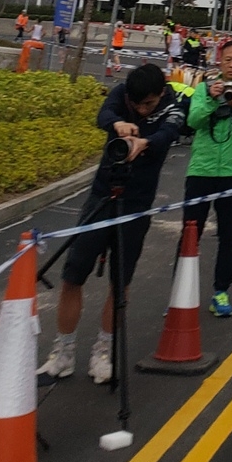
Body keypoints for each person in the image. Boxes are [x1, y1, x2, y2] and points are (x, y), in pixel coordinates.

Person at [38, 62, 184, 382]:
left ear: (161, 93)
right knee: (73, 275)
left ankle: (104, 351)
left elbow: (171, 131)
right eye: (136, 105)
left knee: (120, 283)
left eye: (148, 104)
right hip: (101, 197)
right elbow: (103, 114)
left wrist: (146, 143)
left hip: (135, 205)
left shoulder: (172, 105)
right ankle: (63, 352)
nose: (142, 110)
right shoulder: (121, 95)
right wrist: (118, 123)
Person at [183, 39, 232, 318]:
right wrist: (210, 98)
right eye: (228, 59)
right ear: (220, 60)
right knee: (189, 235)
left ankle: (221, 291)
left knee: (228, 236)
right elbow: (192, 121)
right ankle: (181, 292)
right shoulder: (203, 88)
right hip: (200, 170)